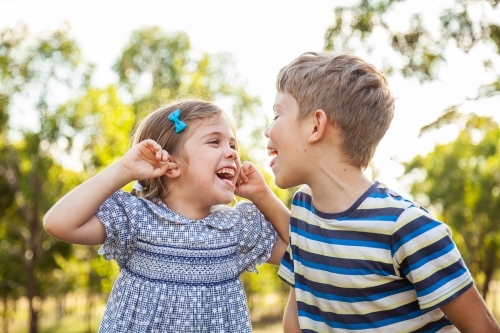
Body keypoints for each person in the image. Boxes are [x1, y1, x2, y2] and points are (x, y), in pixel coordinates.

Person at [264, 52, 500, 332]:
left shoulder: (407, 228)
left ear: (316, 125)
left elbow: (482, 328)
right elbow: (299, 309)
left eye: (277, 114)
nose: (267, 131)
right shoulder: (303, 208)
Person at [43, 99, 289, 332]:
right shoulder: (136, 218)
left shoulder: (237, 228)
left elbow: (302, 249)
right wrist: (124, 169)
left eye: (233, 145)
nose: (233, 153)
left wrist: (263, 196)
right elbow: (59, 223)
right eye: (215, 142)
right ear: (172, 164)